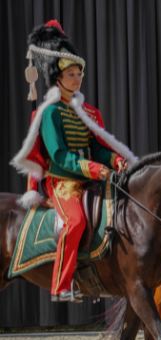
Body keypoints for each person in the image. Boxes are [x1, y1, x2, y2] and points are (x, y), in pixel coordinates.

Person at [11, 20, 136, 302]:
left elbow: (98, 149)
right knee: (76, 222)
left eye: (79, 73)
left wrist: (115, 160)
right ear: (58, 77)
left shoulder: (90, 113)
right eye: (71, 73)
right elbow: (58, 155)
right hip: (64, 181)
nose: (77, 78)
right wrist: (92, 167)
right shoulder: (51, 113)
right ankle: (61, 286)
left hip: (94, 179)